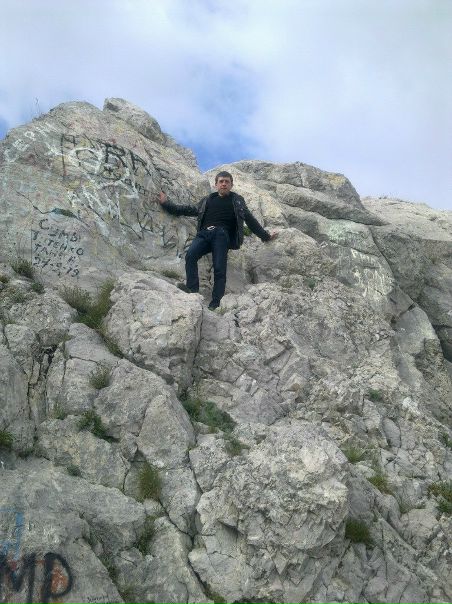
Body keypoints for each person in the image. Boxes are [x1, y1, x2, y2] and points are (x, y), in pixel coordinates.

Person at [157, 171, 277, 309]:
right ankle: (192, 290)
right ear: (216, 185)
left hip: (221, 235)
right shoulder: (208, 200)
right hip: (204, 234)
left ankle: (215, 303)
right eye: (221, 181)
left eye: (227, 182)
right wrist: (166, 204)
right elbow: (188, 209)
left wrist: (265, 236)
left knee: (219, 268)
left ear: (231, 185)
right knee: (190, 255)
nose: (224, 184)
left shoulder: (237, 200)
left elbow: (250, 220)